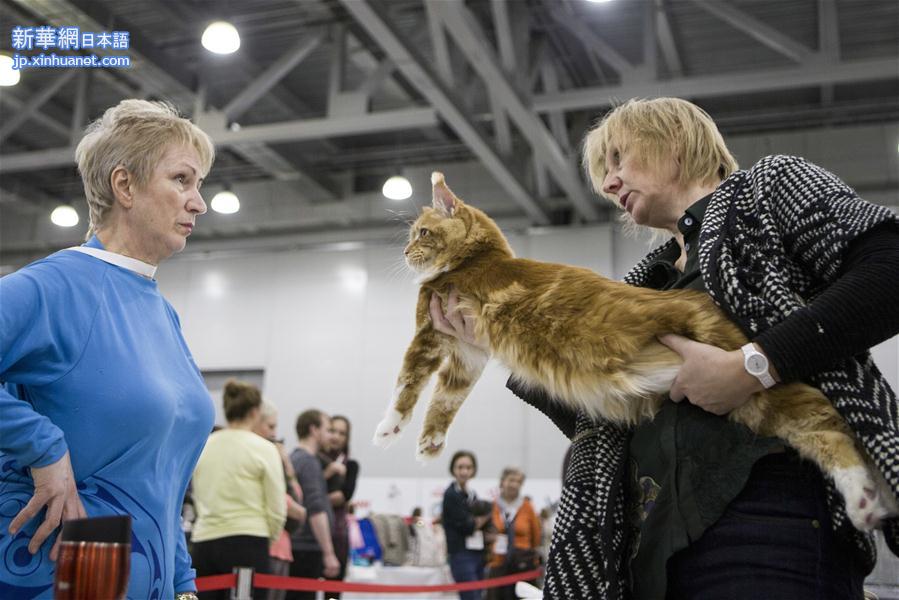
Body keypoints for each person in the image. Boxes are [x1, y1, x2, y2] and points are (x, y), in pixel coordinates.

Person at [430, 97, 899, 599]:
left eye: (617, 160)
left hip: (772, 525)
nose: (609, 185)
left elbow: (889, 266)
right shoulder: (642, 284)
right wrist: (502, 342)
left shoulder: (768, 188)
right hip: (649, 555)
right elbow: (605, 423)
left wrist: (751, 367)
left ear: (673, 141)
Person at [0, 99, 215, 600]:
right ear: (125, 186)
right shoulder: (54, 286)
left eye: (199, 184)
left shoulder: (162, 313)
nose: (199, 202)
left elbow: (163, 478)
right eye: (182, 180)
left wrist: (183, 583)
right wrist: (41, 444)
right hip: (53, 578)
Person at [190, 381, 286, 600]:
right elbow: (276, 508)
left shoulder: (204, 445)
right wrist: (266, 539)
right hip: (248, 541)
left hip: (204, 541)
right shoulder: (265, 448)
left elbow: (197, 494)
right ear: (255, 412)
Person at [252, 401, 308, 600]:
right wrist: (291, 507)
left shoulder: (274, 456)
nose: (274, 433)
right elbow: (264, 494)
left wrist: (286, 465)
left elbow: (297, 498)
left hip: (282, 546)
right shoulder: (254, 455)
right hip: (264, 544)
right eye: (270, 426)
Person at [287, 410, 340, 600]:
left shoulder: (295, 458)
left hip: (299, 545)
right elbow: (316, 509)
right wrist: (329, 552)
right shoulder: (308, 462)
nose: (331, 436)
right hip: (306, 547)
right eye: (328, 429)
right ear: (314, 430)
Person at [318, 415, 360, 598]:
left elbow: (342, 496)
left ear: (347, 438)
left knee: (333, 594)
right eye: (332, 430)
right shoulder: (312, 460)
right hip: (310, 536)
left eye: (342, 433)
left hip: (337, 535)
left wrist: (315, 498)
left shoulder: (351, 465)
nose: (336, 436)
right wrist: (327, 473)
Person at [485, 468, 541, 600]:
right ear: (502, 482)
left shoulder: (527, 507)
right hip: (498, 564)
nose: (514, 484)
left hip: (523, 565)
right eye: (511, 480)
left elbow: (536, 537)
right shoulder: (492, 506)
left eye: (518, 481)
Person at [443, 450, 490, 600]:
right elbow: (467, 525)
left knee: (479, 595)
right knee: (471, 597)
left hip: (478, 552)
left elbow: (474, 523)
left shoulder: (472, 494)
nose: (464, 471)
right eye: (460, 467)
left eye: (468, 467)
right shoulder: (450, 495)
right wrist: (485, 517)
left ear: (473, 470)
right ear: (453, 469)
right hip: (460, 554)